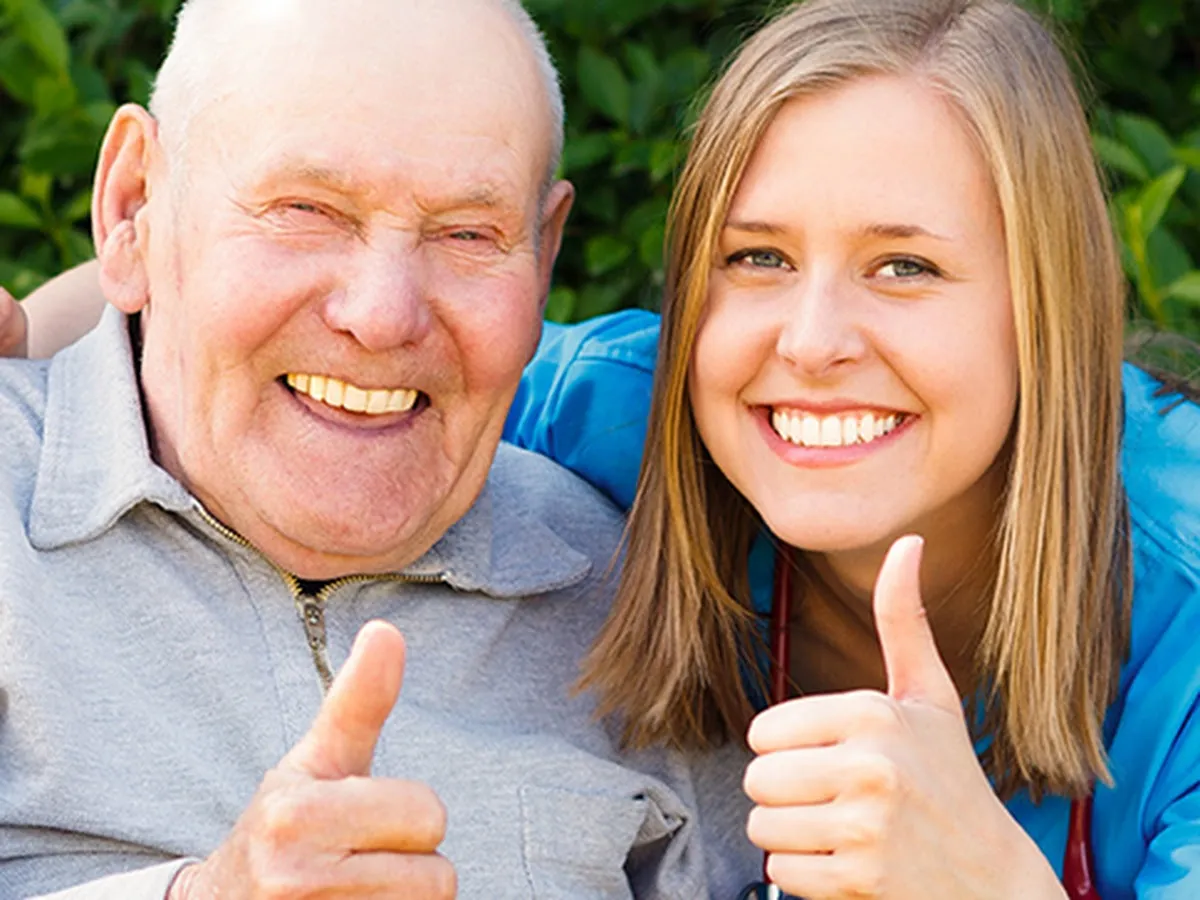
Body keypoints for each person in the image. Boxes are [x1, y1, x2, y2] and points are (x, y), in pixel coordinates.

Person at [10, 0, 1200, 897]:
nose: (811, 342)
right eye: (758, 257)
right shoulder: (619, 413)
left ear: (1052, 308)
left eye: (907, 266)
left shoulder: (1183, 622)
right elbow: (347, 345)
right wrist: (41, 324)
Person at [0, 0, 753, 897]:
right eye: (305, 210)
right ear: (135, 207)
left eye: (467, 234)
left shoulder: (627, 600)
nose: (383, 314)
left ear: (544, 255)